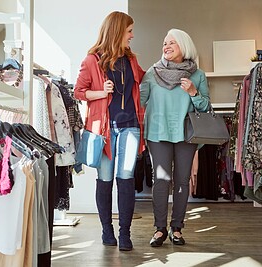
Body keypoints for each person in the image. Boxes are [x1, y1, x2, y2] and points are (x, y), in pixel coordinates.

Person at [74, 11, 145, 251]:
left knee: (126, 179)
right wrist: (101, 92)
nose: (132, 36)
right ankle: (107, 230)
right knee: (105, 180)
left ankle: (125, 233)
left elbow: (146, 81)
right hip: (104, 130)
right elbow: (79, 92)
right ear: (117, 31)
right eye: (129, 31)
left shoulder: (131, 60)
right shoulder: (92, 60)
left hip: (130, 127)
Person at [140, 29, 210, 247]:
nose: (166, 46)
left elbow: (206, 106)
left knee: (181, 181)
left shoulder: (197, 75)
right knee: (161, 181)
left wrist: (193, 92)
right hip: (157, 134)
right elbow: (139, 100)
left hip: (185, 135)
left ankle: (176, 228)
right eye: (164, 43)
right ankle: (160, 229)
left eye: (172, 43)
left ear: (184, 46)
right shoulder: (152, 72)